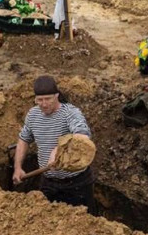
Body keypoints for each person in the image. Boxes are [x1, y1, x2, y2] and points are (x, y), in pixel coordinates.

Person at [13, 75, 96, 214]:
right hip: (49, 181)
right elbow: (24, 139)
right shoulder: (33, 115)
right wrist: (17, 168)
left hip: (76, 183)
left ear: (56, 95)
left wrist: (58, 150)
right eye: (40, 100)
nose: (44, 104)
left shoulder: (70, 113)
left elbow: (82, 135)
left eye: (48, 99)